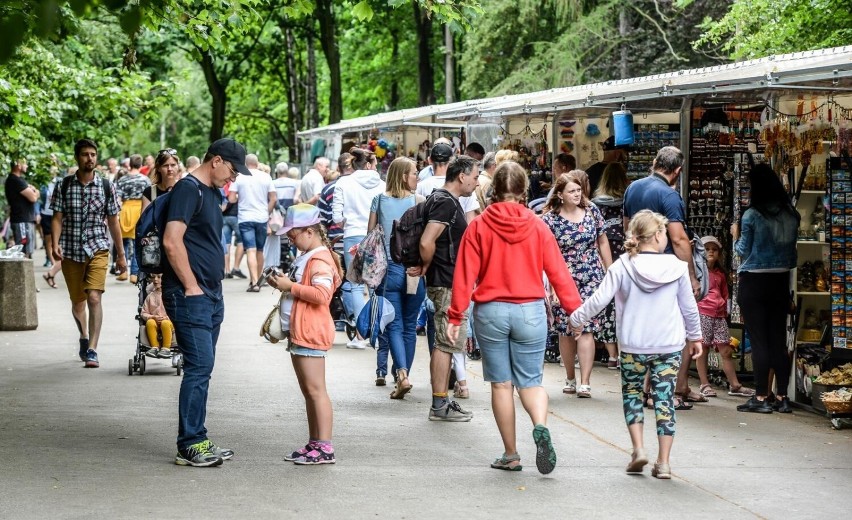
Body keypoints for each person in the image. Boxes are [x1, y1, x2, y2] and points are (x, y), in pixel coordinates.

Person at [447, 160, 582, 474]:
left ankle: (511, 454)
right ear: (524, 192)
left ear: (494, 191)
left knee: (501, 385)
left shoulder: (478, 226)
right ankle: (540, 425)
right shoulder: (538, 226)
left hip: (491, 312)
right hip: (530, 311)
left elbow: (464, 276)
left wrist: (455, 317)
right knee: (531, 382)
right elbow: (559, 273)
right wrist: (575, 312)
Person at [569, 209, 702, 479]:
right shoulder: (676, 267)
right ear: (656, 235)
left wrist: (576, 319)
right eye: (664, 232)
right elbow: (689, 308)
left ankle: (639, 449)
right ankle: (663, 462)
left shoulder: (623, 265)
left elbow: (598, 299)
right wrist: (695, 337)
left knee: (632, 396)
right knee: (664, 400)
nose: (666, 237)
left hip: (633, 345)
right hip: (668, 346)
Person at [162, 138, 248, 467]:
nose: (235, 177)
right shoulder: (188, 189)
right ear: (216, 161)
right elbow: (172, 241)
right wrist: (190, 285)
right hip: (191, 295)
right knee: (199, 367)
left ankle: (198, 434)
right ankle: (190, 443)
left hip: (211, 293)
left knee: (204, 368)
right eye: (232, 169)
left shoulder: (211, 191)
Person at [623, 146, 702, 409]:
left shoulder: (633, 188)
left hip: (638, 266)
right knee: (672, 331)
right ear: (677, 171)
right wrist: (690, 275)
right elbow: (679, 239)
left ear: (655, 162)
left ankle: (658, 388)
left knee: (649, 328)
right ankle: (664, 391)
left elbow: (627, 229)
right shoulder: (669, 195)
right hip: (665, 271)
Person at [267, 204, 342, 465]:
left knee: (316, 390)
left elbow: (322, 296)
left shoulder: (319, 260)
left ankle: (325, 447)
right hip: (302, 331)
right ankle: (315, 442)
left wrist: (290, 286)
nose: (290, 238)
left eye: (293, 233)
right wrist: (284, 285)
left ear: (309, 232)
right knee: (309, 391)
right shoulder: (310, 256)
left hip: (310, 331)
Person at [408, 155, 479, 421]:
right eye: (474, 176)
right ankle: (439, 404)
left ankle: (442, 402)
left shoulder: (444, 200)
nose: (477, 182)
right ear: (461, 176)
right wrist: (426, 265)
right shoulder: (444, 203)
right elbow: (427, 241)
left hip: (447, 279)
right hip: (446, 281)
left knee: (445, 341)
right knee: (445, 342)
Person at [50, 138, 127, 368]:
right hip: (71, 251)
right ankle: (84, 335)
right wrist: (54, 243)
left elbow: (114, 222)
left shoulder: (106, 186)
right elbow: (57, 218)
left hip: (98, 248)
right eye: (85, 154)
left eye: (93, 154)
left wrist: (121, 255)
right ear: (77, 157)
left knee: (94, 297)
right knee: (78, 303)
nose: (89, 158)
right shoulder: (64, 185)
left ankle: (92, 349)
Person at [731, 163, 799, 414]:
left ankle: (760, 397)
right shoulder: (791, 213)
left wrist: (735, 234)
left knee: (759, 340)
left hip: (754, 281)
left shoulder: (751, 215)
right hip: (780, 281)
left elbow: (742, 252)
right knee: (778, 339)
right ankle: (782, 396)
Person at [542, 171, 613, 398]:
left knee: (587, 328)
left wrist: (610, 271)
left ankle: (585, 382)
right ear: (560, 194)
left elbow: (602, 240)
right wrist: (550, 285)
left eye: (578, 190)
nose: (576, 194)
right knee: (566, 329)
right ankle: (570, 377)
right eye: (571, 191)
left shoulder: (592, 211)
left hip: (591, 275)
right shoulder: (550, 219)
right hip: (563, 278)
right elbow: (546, 252)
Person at [368, 157, 426, 396]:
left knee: (394, 324)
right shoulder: (419, 202)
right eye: (414, 173)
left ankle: (401, 373)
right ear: (404, 176)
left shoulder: (378, 201)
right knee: (410, 327)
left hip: (388, 272)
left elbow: (370, 238)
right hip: (414, 271)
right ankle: (404, 376)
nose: (417, 177)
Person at [332, 147, 385, 350]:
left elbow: (337, 217)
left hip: (352, 235)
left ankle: (361, 335)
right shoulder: (382, 184)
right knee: (375, 285)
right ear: (370, 164)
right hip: (376, 236)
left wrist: (349, 224)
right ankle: (376, 333)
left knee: (354, 284)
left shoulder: (343, 183)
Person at [693, 236, 755, 399]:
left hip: (719, 315)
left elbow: (725, 294)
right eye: (707, 249)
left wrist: (726, 311)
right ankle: (704, 384)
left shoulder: (720, 273)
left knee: (726, 350)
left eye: (714, 249)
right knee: (703, 348)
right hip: (703, 312)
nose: (711, 252)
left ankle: (734, 384)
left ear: (719, 253)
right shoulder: (698, 272)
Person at [591, 161, 629, 368]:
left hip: (605, 254)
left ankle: (611, 354)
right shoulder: (627, 201)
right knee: (623, 301)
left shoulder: (597, 204)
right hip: (624, 252)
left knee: (606, 300)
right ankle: (623, 352)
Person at [228, 153, 277, 291]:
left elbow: (231, 199)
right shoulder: (266, 177)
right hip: (261, 218)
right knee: (260, 250)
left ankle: (254, 282)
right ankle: (259, 280)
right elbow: (273, 198)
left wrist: (241, 197)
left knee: (250, 250)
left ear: (245, 163)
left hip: (245, 218)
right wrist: (266, 212)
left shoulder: (239, 177)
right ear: (257, 163)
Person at [116, 154, 150, 284]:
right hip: (139, 209)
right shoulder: (145, 180)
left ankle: (123, 271)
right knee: (138, 242)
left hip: (126, 209)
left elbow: (118, 198)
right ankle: (134, 274)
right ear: (141, 165)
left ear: (129, 164)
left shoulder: (123, 180)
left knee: (123, 241)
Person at [4, 158, 38, 259]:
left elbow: (34, 195)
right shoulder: (14, 180)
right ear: (18, 165)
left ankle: (25, 273)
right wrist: (35, 191)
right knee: (23, 250)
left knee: (27, 249)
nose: (27, 166)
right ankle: (22, 274)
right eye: (25, 163)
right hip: (21, 220)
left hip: (25, 220)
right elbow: (33, 197)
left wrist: (34, 191)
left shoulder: (18, 180)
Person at [140, 273, 175, 359]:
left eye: (159, 277)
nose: (155, 280)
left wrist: (167, 318)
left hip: (168, 322)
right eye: (153, 277)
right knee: (150, 322)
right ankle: (154, 347)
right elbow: (143, 313)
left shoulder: (172, 296)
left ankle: (166, 348)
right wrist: (152, 317)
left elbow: (176, 311)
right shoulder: (150, 296)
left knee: (165, 323)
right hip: (154, 322)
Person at [39, 170, 63, 286]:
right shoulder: (43, 184)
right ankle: (52, 268)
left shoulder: (60, 182)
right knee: (49, 242)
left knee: (61, 247)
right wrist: (37, 213)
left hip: (57, 215)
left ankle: (51, 272)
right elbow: (39, 200)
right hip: (46, 215)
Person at [141, 148, 181, 213]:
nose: (169, 169)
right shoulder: (150, 192)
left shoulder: (184, 189)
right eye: (165, 166)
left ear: (178, 166)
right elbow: (144, 220)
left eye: (173, 165)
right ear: (158, 168)